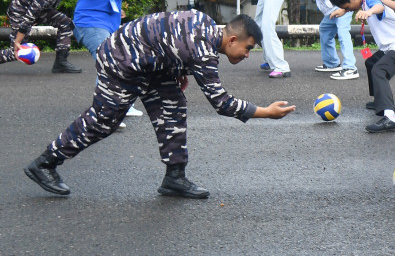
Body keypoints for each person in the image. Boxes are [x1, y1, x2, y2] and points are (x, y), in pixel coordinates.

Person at [24, 11, 295, 198]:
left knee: (172, 105)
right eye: (248, 49)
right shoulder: (203, 50)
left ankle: (174, 178)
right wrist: (266, 112)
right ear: (232, 39)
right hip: (121, 58)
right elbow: (222, 103)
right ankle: (45, 163)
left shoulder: (206, 25)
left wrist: (177, 69)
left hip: (150, 63)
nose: (247, 55)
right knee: (104, 120)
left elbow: (168, 39)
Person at [74, 0, 144, 126]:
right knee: (109, 64)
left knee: (123, 61)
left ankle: (122, 105)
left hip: (104, 23)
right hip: (91, 23)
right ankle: (104, 112)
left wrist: (118, 10)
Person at [328, 0, 395, 133]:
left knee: (379, 70)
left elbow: (379, 6)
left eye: (347, 7)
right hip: (390, 46)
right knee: (371, 63)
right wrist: (343, 11)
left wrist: (369, 12)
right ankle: (380, 100)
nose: (348, 10)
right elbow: (358, 4)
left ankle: (391, 118)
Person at [1, 0, 85, 73]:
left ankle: (61, 63)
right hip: (20, 11)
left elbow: (44, 10)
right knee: (18, 50)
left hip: (38, 10)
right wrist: (18, 40)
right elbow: (30, 16)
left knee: (65, 23)